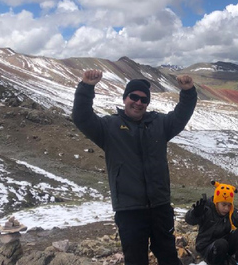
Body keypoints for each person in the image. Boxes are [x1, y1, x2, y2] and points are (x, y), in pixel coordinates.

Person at [72, 69, 197, 265]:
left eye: (143, 99)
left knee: (169, 258)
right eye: (134, 97)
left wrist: (188, 91)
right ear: (125, 98)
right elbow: (82, 117)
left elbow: (181, 115)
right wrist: (86, 87)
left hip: (160, 207)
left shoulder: (160, 124)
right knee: (135, 260)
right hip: (129, 211)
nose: (138, 102)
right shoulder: (109, 127)